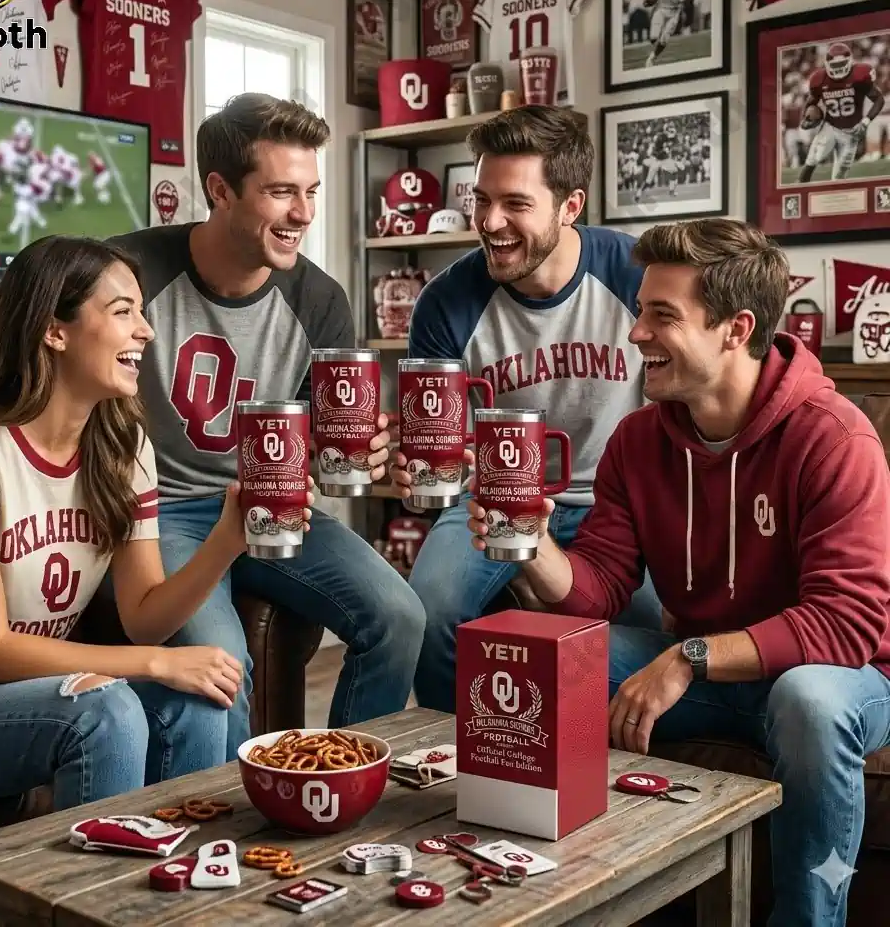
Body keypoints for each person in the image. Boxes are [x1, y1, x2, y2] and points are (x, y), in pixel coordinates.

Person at [467, 218, 890, 927]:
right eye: (640, 311)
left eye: (662, 316)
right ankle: (555, 898)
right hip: (718, 673)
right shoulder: (639, 440)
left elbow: (848, 624)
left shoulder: (833, 437)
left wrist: (689, 657)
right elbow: (601, 583)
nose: (636, 334)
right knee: (544, 660)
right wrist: (533, 543)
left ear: (735, 328)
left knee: (807, 703)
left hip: (848, 679)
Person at [0, 236, 310, 810]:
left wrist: (228, 538)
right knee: (106, 712)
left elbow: (144, 615)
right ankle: (96, 898)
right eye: (123, 311)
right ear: (56, 330)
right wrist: (158, 664)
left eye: (141, 312)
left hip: (28, 683)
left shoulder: (124, 449)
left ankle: (191, 881)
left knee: (201, 699)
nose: (146, 331)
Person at [108, 93, 424, 759]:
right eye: (282, 192)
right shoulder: (129, 272)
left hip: (272, 500)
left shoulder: (321, 299)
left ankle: (338, 776)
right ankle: (216, 838)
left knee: (400, 616)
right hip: (160, 509)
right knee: (219, 660)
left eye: (310, 191)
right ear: (219, 190)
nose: (304, 213)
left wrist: (358, 455)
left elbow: (322, 450)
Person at [392, 104, 660, 714]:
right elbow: (440, 454)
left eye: (515, 203)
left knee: (648, 638)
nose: (490, 221)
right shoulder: (446, 303)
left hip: (618, 507)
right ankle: (443, 759)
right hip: (493, 498)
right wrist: (419, 478)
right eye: (481, 199)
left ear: (571, 206)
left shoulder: (636, 274)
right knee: (428, 609)